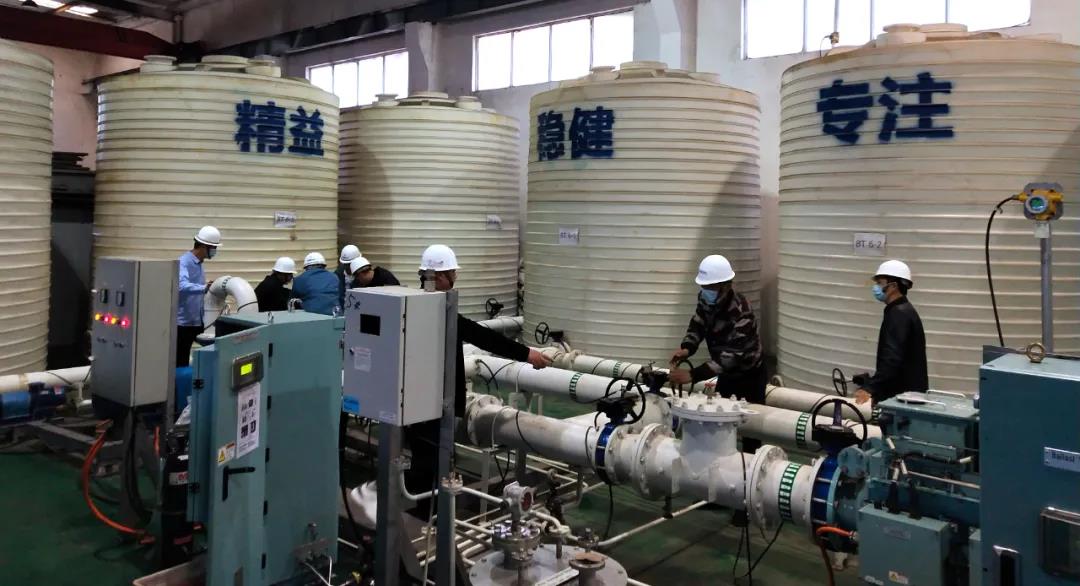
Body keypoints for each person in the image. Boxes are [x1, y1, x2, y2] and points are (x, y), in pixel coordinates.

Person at [404, 244, 551, 505]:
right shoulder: (436, 309)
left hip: (419, 399)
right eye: (453, 272)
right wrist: (527, 354)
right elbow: (481, 336)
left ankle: (426, 509)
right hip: (433, 402)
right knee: (430, 462)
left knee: (426, 457)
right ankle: (428, 515)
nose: (455, 277)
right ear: (439, 276)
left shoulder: (416, 304)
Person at [668, 254, 765, 453]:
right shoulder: (706, 300)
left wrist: (693, 375)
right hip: (727, 375)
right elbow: (698, 324)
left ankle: (750, 464)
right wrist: (687, 348)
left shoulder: (740, 311)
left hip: (749, 376)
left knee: (750, 430)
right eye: (703, 286)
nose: (706, 291)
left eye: (710, 287)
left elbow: (732, 357)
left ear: (725, 286)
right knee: (719, 423)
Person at [853, 260, 928, 405]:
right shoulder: (902, 310)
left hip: (901, 398)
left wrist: (870, 388)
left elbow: (892, 358)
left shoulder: (899, 314)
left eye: (880, 283)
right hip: (906, 394)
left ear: (893, 286)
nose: (876, 288)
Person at [177, 226, 220, 367]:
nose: (215, 251)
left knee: (211, 349)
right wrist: (204, 288)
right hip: (184, 323)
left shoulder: (199, 264)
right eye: (213, 247)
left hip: (197, 321)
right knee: (181, 360)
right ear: (203, 246)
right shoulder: (184, 262)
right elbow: (181, 285)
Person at [336, 244, 361, 311]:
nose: (347, 267)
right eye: (345, 264)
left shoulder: (363, 277)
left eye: (350, 264)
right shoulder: (337, 275)